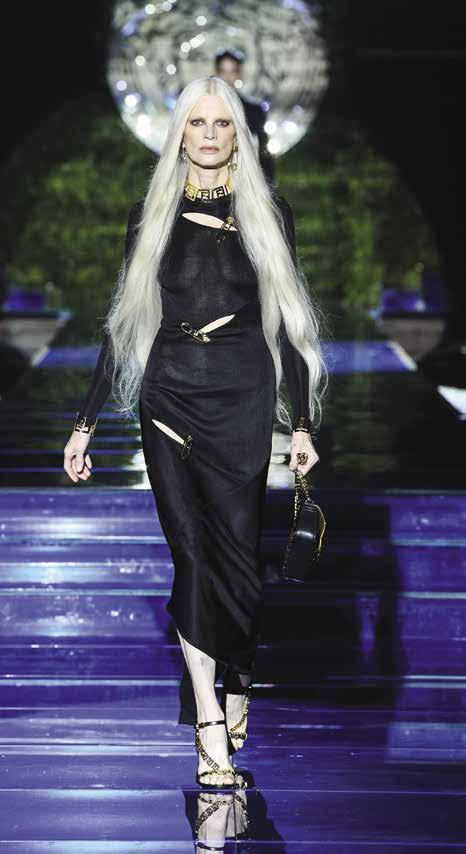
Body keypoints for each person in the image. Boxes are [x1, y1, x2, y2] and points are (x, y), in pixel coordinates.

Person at [63, 75, 325, 789]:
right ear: (179, 132)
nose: (209, 135)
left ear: (239, 134)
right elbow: (123, 326)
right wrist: (85, 424)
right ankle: (209, 718)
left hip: (242, 394)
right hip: (170, 396)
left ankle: (238, 676)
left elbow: (289, 325)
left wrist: (302, 423)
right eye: (197, 123)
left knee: (239, 563)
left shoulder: (268, 214)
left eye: (222, 123)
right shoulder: (148, 216)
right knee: (193, 558)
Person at [214, 48, 275, 185]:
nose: (227, 77)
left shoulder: (254, 111)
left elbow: (264, 153)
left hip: (245, 181)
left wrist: (268, 187)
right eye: (223, 71)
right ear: (217, 73)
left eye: (232, 71)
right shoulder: (203, 109)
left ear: (239, 74)